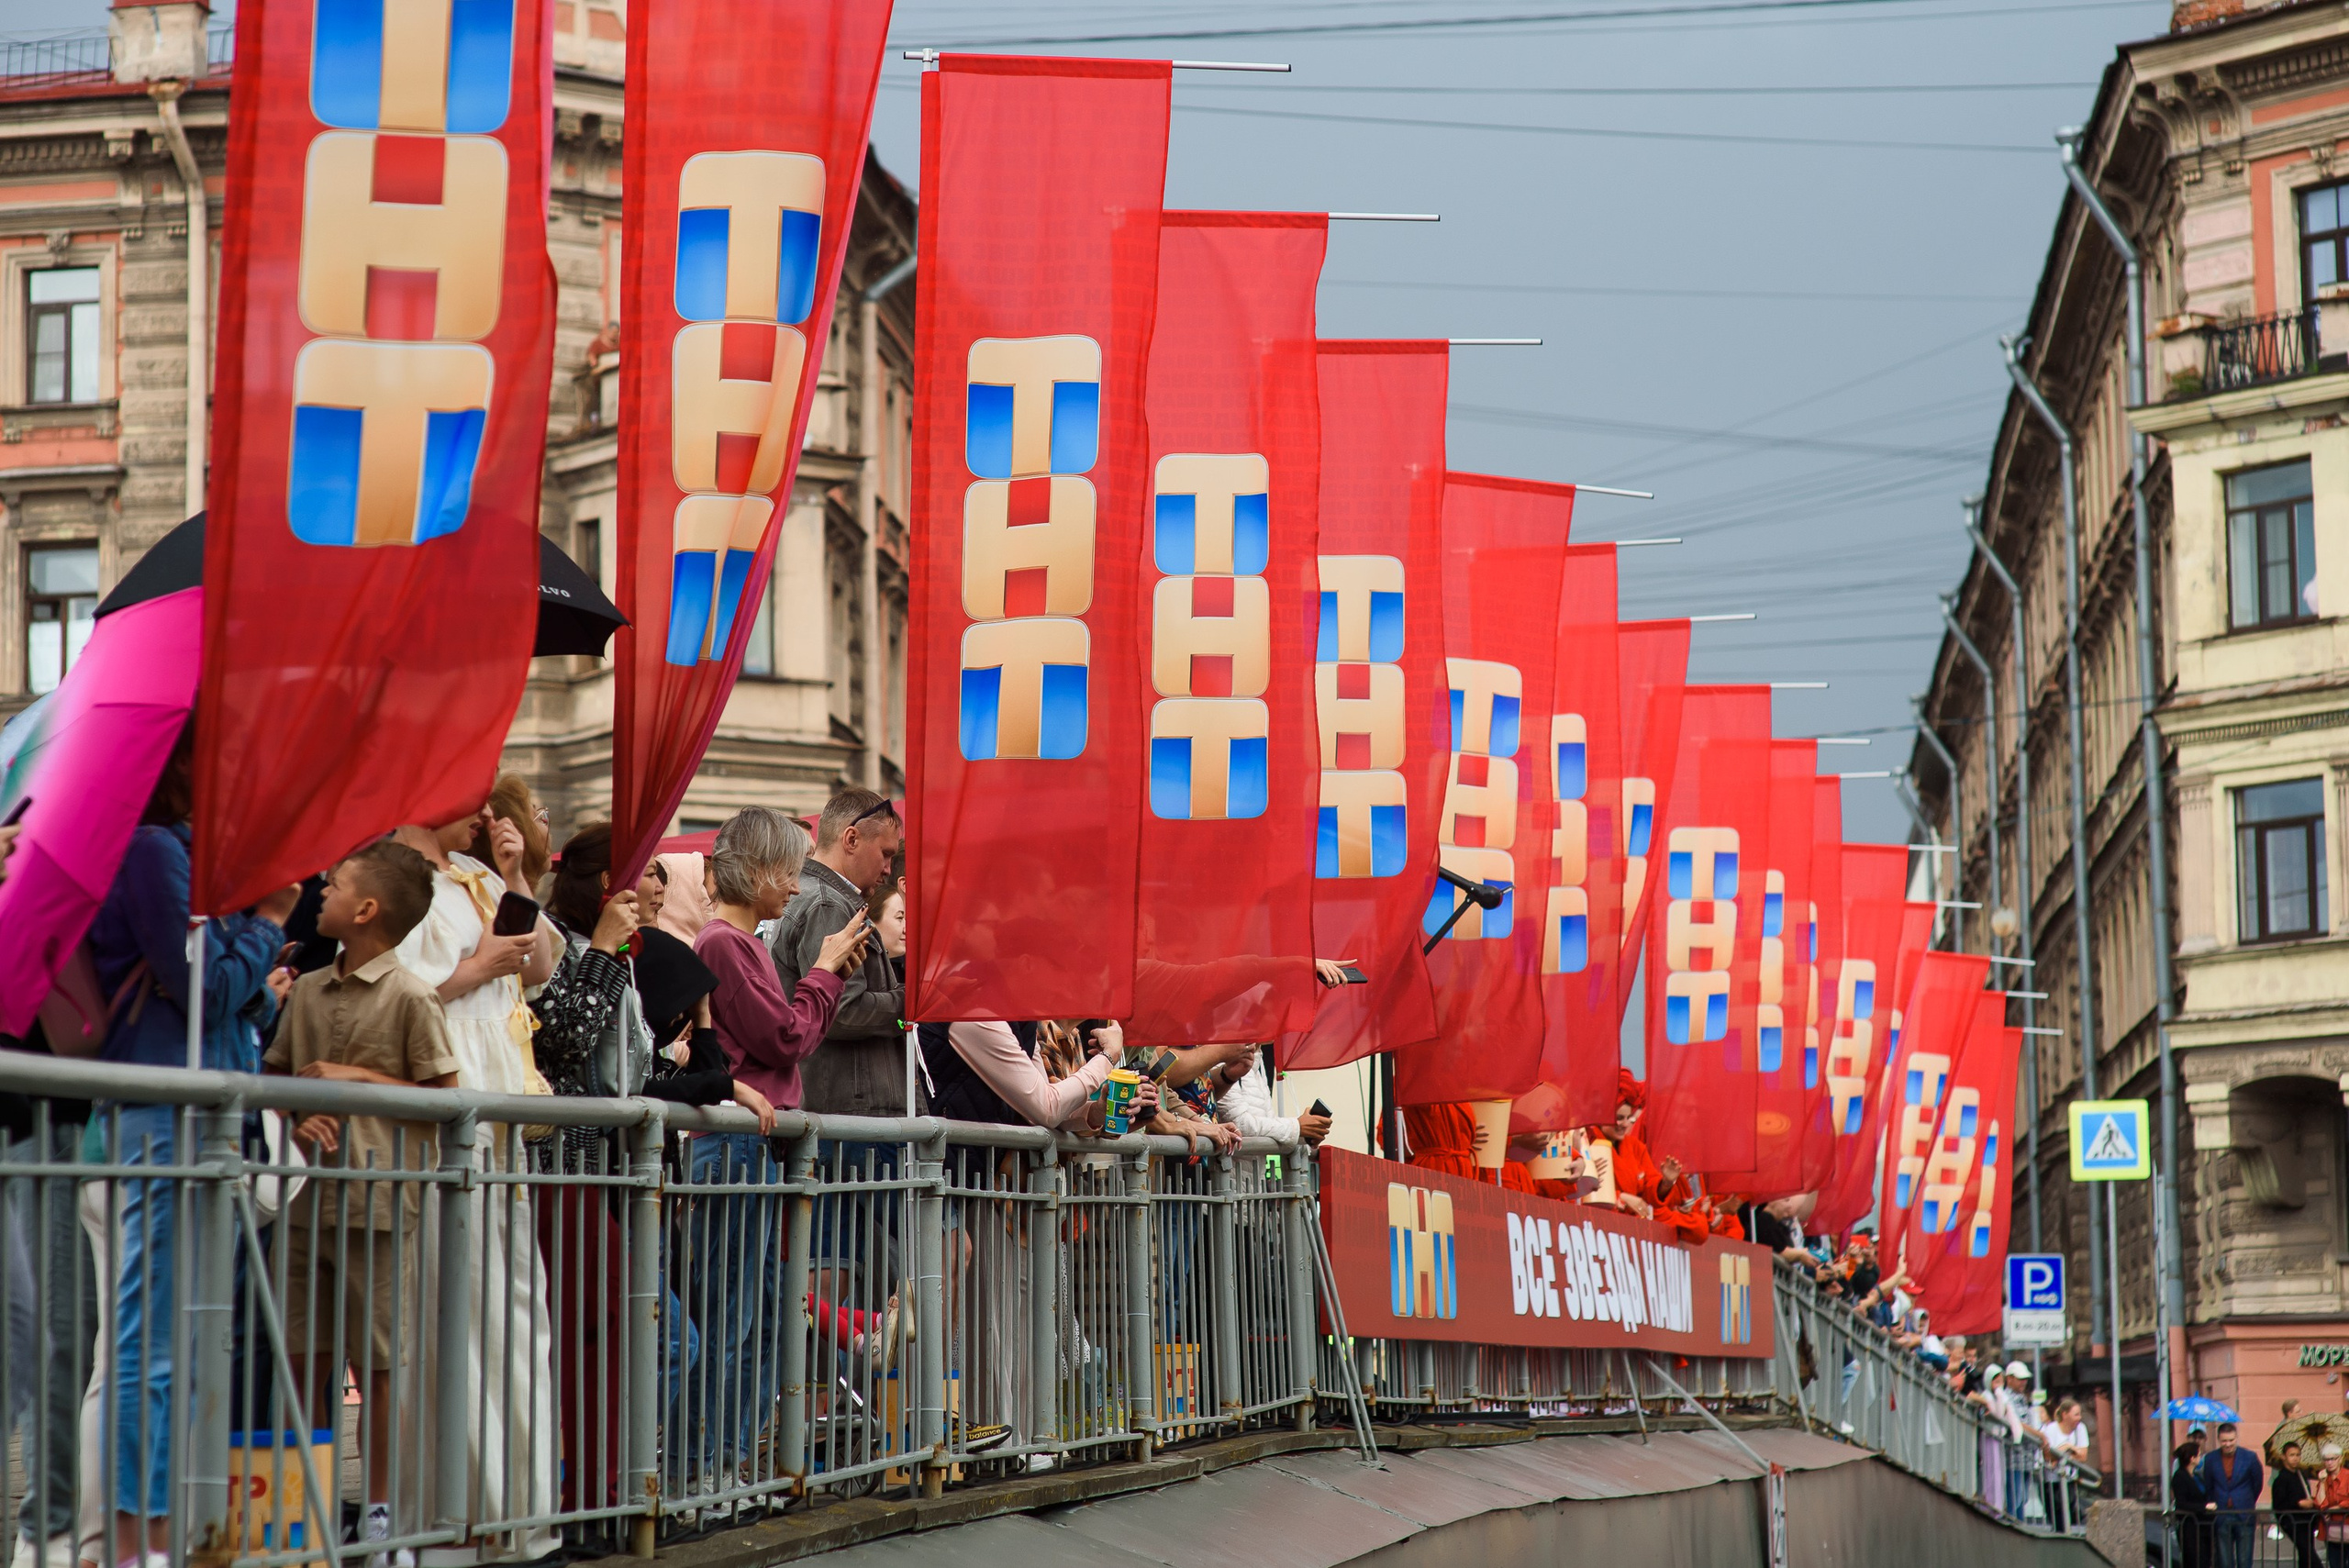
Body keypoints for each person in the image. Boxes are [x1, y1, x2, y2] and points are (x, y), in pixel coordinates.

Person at [83, 731, 297, 1568]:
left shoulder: (187, 859)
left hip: (205, 1117)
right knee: (152, 1341)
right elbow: (200, 984)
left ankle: (164, 1530)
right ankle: (137, 1540)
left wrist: (254, 964)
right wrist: (267, 920)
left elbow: (229, 1010)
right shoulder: (148, 849)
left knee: (197, 1337)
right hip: (161, 1115)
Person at [262, 839, 455, 1567]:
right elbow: (275, 1082)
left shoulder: (410, 994)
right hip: (306, 1208)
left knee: (377, 1369)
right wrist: (296, 1111)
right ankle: (306, 1511)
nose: (322, 893)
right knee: (305, 1363)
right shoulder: (307, 988)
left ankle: (381, 1517)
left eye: (335, 885)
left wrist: (357, 1080)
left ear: (366, 909)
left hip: (380, 1208)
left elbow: (446, 1100)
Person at [388, 809, 562, 1562]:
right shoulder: (398, 882)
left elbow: (546, 965)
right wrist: (480, 967)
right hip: (446, 1120)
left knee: (516, 1313)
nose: (488, 812)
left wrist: (518, 876)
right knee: (452, 1316)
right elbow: (394, 1000)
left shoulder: (483, 876)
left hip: (502, 1123)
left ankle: (522, 1517)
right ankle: (458, 1522)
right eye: (474, 795)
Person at [685, 807, 868, 1477]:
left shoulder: (743, 943)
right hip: (737, 1147)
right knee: (735, 1318)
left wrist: (826, 976)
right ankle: (703, 1465)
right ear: (760, 871)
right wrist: (823, 970)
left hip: (756, 1147)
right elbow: (785, 1038)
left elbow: (789, 1033)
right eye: (788, 873)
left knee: (766, 1319)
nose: (794, 889)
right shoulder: (724, 944)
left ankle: (726, 1464)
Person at [768, 787, 905, 1118]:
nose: (888, 868)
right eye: (885, 853)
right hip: (850, 1114)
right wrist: (909, 1000)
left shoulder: (812, 896)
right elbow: (843, 1012)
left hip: (839, 1108)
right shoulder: (828, 904)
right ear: (852, 839)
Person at [1211, 1048, 1330, 1146]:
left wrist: (1305, 1134)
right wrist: (1297, 1127)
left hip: (1253, 1172)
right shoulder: (1225, 1057)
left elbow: (1268, 1122)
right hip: (1227, 1170)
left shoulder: (1258, 1063)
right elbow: (1238, 1124)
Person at [2199, 1420, 2264, 1568]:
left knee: (2244, 1561)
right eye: (2224, 1441)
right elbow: (2208, 1485)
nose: (2228, 1444)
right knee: (2225, 1562)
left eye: (2231, 1440)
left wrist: (2246, 1501)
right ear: (2219, 1440)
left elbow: (2257, 1483)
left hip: (2244, 1513)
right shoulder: (2210, 1459)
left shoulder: (2250, 1457)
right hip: (2222, 1514)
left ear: (2236, 1438)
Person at [2276, 1440, 2320, 1568]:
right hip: (2293, 1522)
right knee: (2310, 1555)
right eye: (2292, 1455)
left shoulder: (2301, 1475)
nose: (2295, 1458)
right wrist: (2299, 1504)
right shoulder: (2281, 1479)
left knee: (2306, 1558)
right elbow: (2279, 1504)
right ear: (2284, 1456)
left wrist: (2310, 1501)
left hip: (2306, 1521)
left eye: (2298, 1455)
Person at [2173, 1435, 2210, 1568]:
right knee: (2195, 1561)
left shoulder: (2196, 1476)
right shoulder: (2180, 1477)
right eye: (2199, 1455)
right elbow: (2182, 1503)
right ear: (2192, 1458)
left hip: (2202, 1527)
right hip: (2190, 1528)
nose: (2201, 1457)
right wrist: (2204, 1506)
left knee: (2205, 1561)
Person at [2313, 1443, 2349, 1568]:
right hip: (2332, 1531)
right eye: (2326, 1459)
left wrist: (2335, 1508)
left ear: (2340, 1459)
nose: (2329, 1462)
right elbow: (2320, 1504)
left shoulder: (2347, 1476)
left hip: (2347, 1526)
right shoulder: (2324, 1478)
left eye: (2332, 1459)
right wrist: (2322, 1482)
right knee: (2335, 1564)